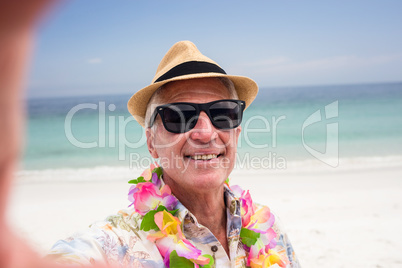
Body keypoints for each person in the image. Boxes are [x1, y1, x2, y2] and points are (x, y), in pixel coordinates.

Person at [47, 41, 301, 268]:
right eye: (179, 116)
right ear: (151, 143)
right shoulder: (116, 243)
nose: (205, 133)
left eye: (223, 113)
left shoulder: (269, 230)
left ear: (236, 133)